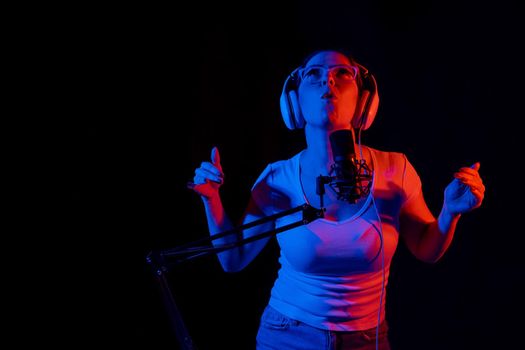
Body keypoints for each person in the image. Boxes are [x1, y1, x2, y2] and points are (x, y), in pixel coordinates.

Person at [189, 49, 485, 350]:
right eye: (313, 74)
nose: (327, 80)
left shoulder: (395, 169)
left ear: (364, 102)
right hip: (286, 334)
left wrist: (450, 212)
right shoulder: (277, 178)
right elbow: (233, 259)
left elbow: (427, 249)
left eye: (343, 73)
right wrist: (211, 200)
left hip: (367, 339)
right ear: (294, 104)